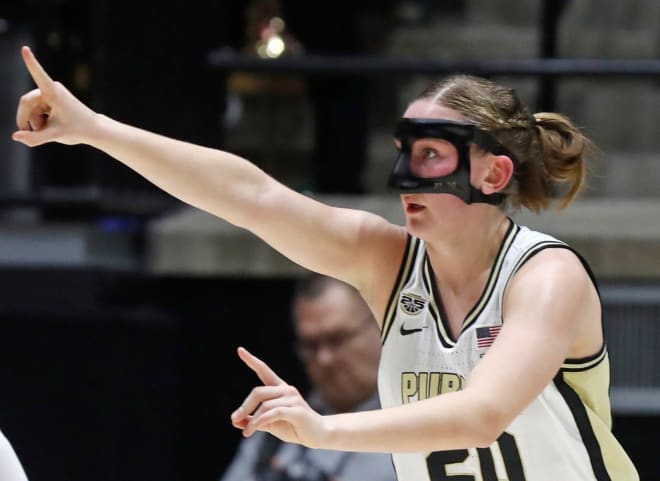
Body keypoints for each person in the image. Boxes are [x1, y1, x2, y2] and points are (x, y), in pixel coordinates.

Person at [12, 46, 638, 480]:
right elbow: (250, 196)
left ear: (494, 172)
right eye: (403, 152)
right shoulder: (389, 262)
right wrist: (95, 129)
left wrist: (323, 430)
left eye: (430, 156)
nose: (403, 177)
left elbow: (482, 416)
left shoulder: (546, 275)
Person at [219, 274, 397, 481]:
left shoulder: (413, 420)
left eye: (337, 339)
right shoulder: (278, 423)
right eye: (311, 345)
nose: (324, 359)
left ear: (379, 325)